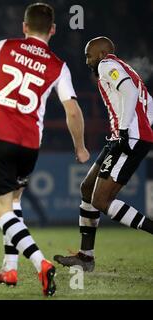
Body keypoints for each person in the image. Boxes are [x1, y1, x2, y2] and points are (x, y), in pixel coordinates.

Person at [0, 3, 89, 296]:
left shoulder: (4, 47)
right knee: (14, 201)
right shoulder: (59, 66)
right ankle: (9, 268)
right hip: (30, 145)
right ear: (53, 30)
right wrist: (80, 148)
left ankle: (40, 262)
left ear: (24, 27)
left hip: (0, 137)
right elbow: (73, 111)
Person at [54, 37, 153, 272]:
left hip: (127, 138)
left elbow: (128, 91)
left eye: (89, 55)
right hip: (123, 137)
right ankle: (85, 257)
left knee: (101, 200)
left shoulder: (107, 65)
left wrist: (127, 130)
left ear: (100, 53)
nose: (87, 60)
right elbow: (147, 102)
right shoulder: (124, 67)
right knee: (88, 188)